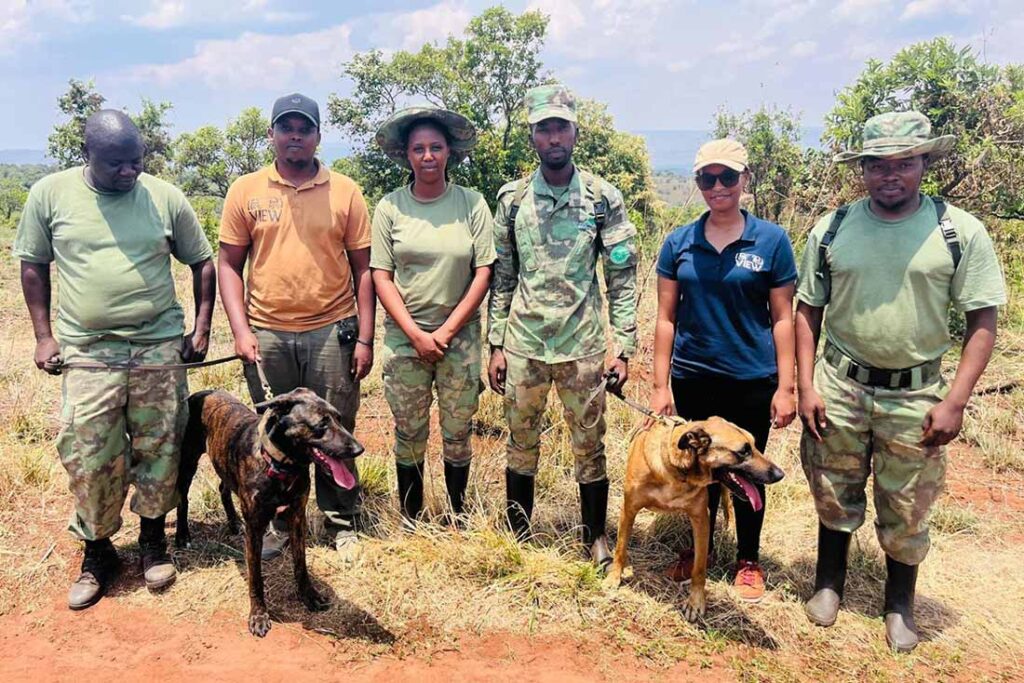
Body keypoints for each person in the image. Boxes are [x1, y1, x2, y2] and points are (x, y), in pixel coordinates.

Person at [796, 111, 1006, 652]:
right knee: (832, 488)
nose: (891, 175)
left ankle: (899, 604)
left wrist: (955, 400)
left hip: (917, 392)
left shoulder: (957, 232)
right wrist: (806, 385)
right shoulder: (833, 228)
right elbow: (808, 310)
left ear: (924, 164)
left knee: (908, 503)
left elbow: (983, 319)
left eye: (905, 164)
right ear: (862, 169)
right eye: (878, 165)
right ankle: (828, 584)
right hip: (839, 383)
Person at [14, 110, 216, 609]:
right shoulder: (50, 195)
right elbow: (33, 266)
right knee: (90, 453)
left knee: (161, 445)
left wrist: (201, 327)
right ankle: (98, 550)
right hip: (88, 349)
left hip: (157, 345)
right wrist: (44, 338)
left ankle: (153, 540)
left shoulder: (164, 196)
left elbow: (202, 261)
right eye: (117, 164)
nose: (130, 172)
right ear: (87, 156)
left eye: (137, 161)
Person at [219, 93, 374, 561]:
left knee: (335, 425)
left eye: (304, 129)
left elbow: (364, 268)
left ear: (318, 137)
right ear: (271, 135)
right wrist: (242, 332)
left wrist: (365, 336)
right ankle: (281, 521)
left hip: (333, 329)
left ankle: (341, 519)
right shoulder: (245, 190)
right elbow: (229, 265)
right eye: (285, 128)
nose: (294, 137)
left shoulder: (345, 191)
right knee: (275, 432)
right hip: (266, 332)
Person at [488, 84, 638, 570]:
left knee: (590, 444)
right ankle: (518, 531)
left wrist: (625, 347)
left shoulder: (601, 198)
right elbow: (503, 276)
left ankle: (595, 537)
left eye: (561, 127)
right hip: (525, 345)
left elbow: (621, 276)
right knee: (520, 440)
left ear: (575, 131)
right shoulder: (512, 200)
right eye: (543, 128)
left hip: (583, 347)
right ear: (532, 135)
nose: (553, 137)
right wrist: (495, 343)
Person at [651, 139, 797, 602]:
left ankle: (747, 559)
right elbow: (665, 317)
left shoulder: (772, 241)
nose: (718, 187)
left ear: (743, 180)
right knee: (698, 471)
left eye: (727, 177)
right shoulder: (679, 243)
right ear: (697, 183)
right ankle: (701, 552)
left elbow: (783, 318)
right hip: (693, 377)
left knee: (746, 469)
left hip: (751, 379)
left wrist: (787, 386)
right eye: (707, 179)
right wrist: (659, 385)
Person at [370, 106, 494, 524]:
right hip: (405, 341)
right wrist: (417, 335)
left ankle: (457, 517)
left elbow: (483, 272)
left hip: (459, 339)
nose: (427, 156)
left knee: (458, 432)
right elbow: (381, 276)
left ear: (449, 153)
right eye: (418, 148)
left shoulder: (472, 204)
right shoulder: (390, 208)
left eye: (435, 147)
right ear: (406, 154)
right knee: (409, 432)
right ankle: (411, 518)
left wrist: (445, 331)